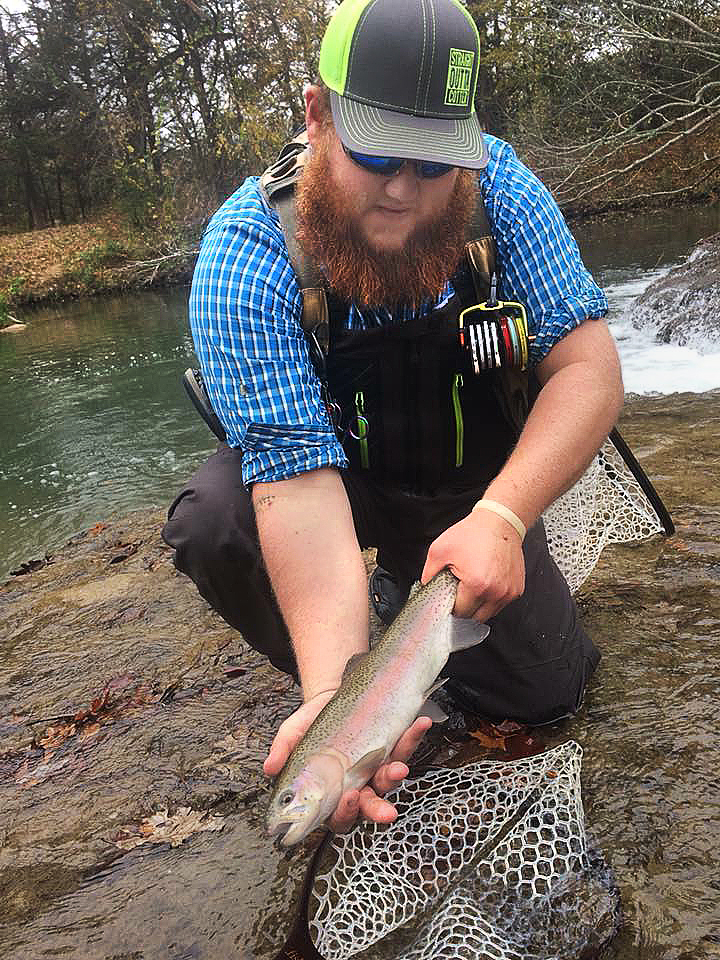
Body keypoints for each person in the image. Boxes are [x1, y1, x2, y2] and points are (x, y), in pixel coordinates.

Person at [163, 0, 623, 836]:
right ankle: (364, 664)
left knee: (549, 697)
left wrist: (505, 515)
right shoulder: (245, 253)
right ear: (317, 116)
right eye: (377, 153)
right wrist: (338, 710)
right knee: (215, 520)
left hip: (472, 496)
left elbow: (588, 370)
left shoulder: (501, 190)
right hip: (340, 484)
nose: (405, 190)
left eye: (434, 161)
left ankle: (411, 605)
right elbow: (297, 488)